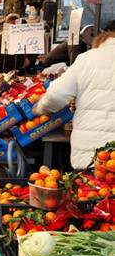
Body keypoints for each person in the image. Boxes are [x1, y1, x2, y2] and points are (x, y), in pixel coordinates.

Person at [33, 30, 115, 170]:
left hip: (92, 152)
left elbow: (56, 95)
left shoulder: (88, 58)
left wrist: (40, 107)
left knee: (91, 188)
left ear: (99, 44)